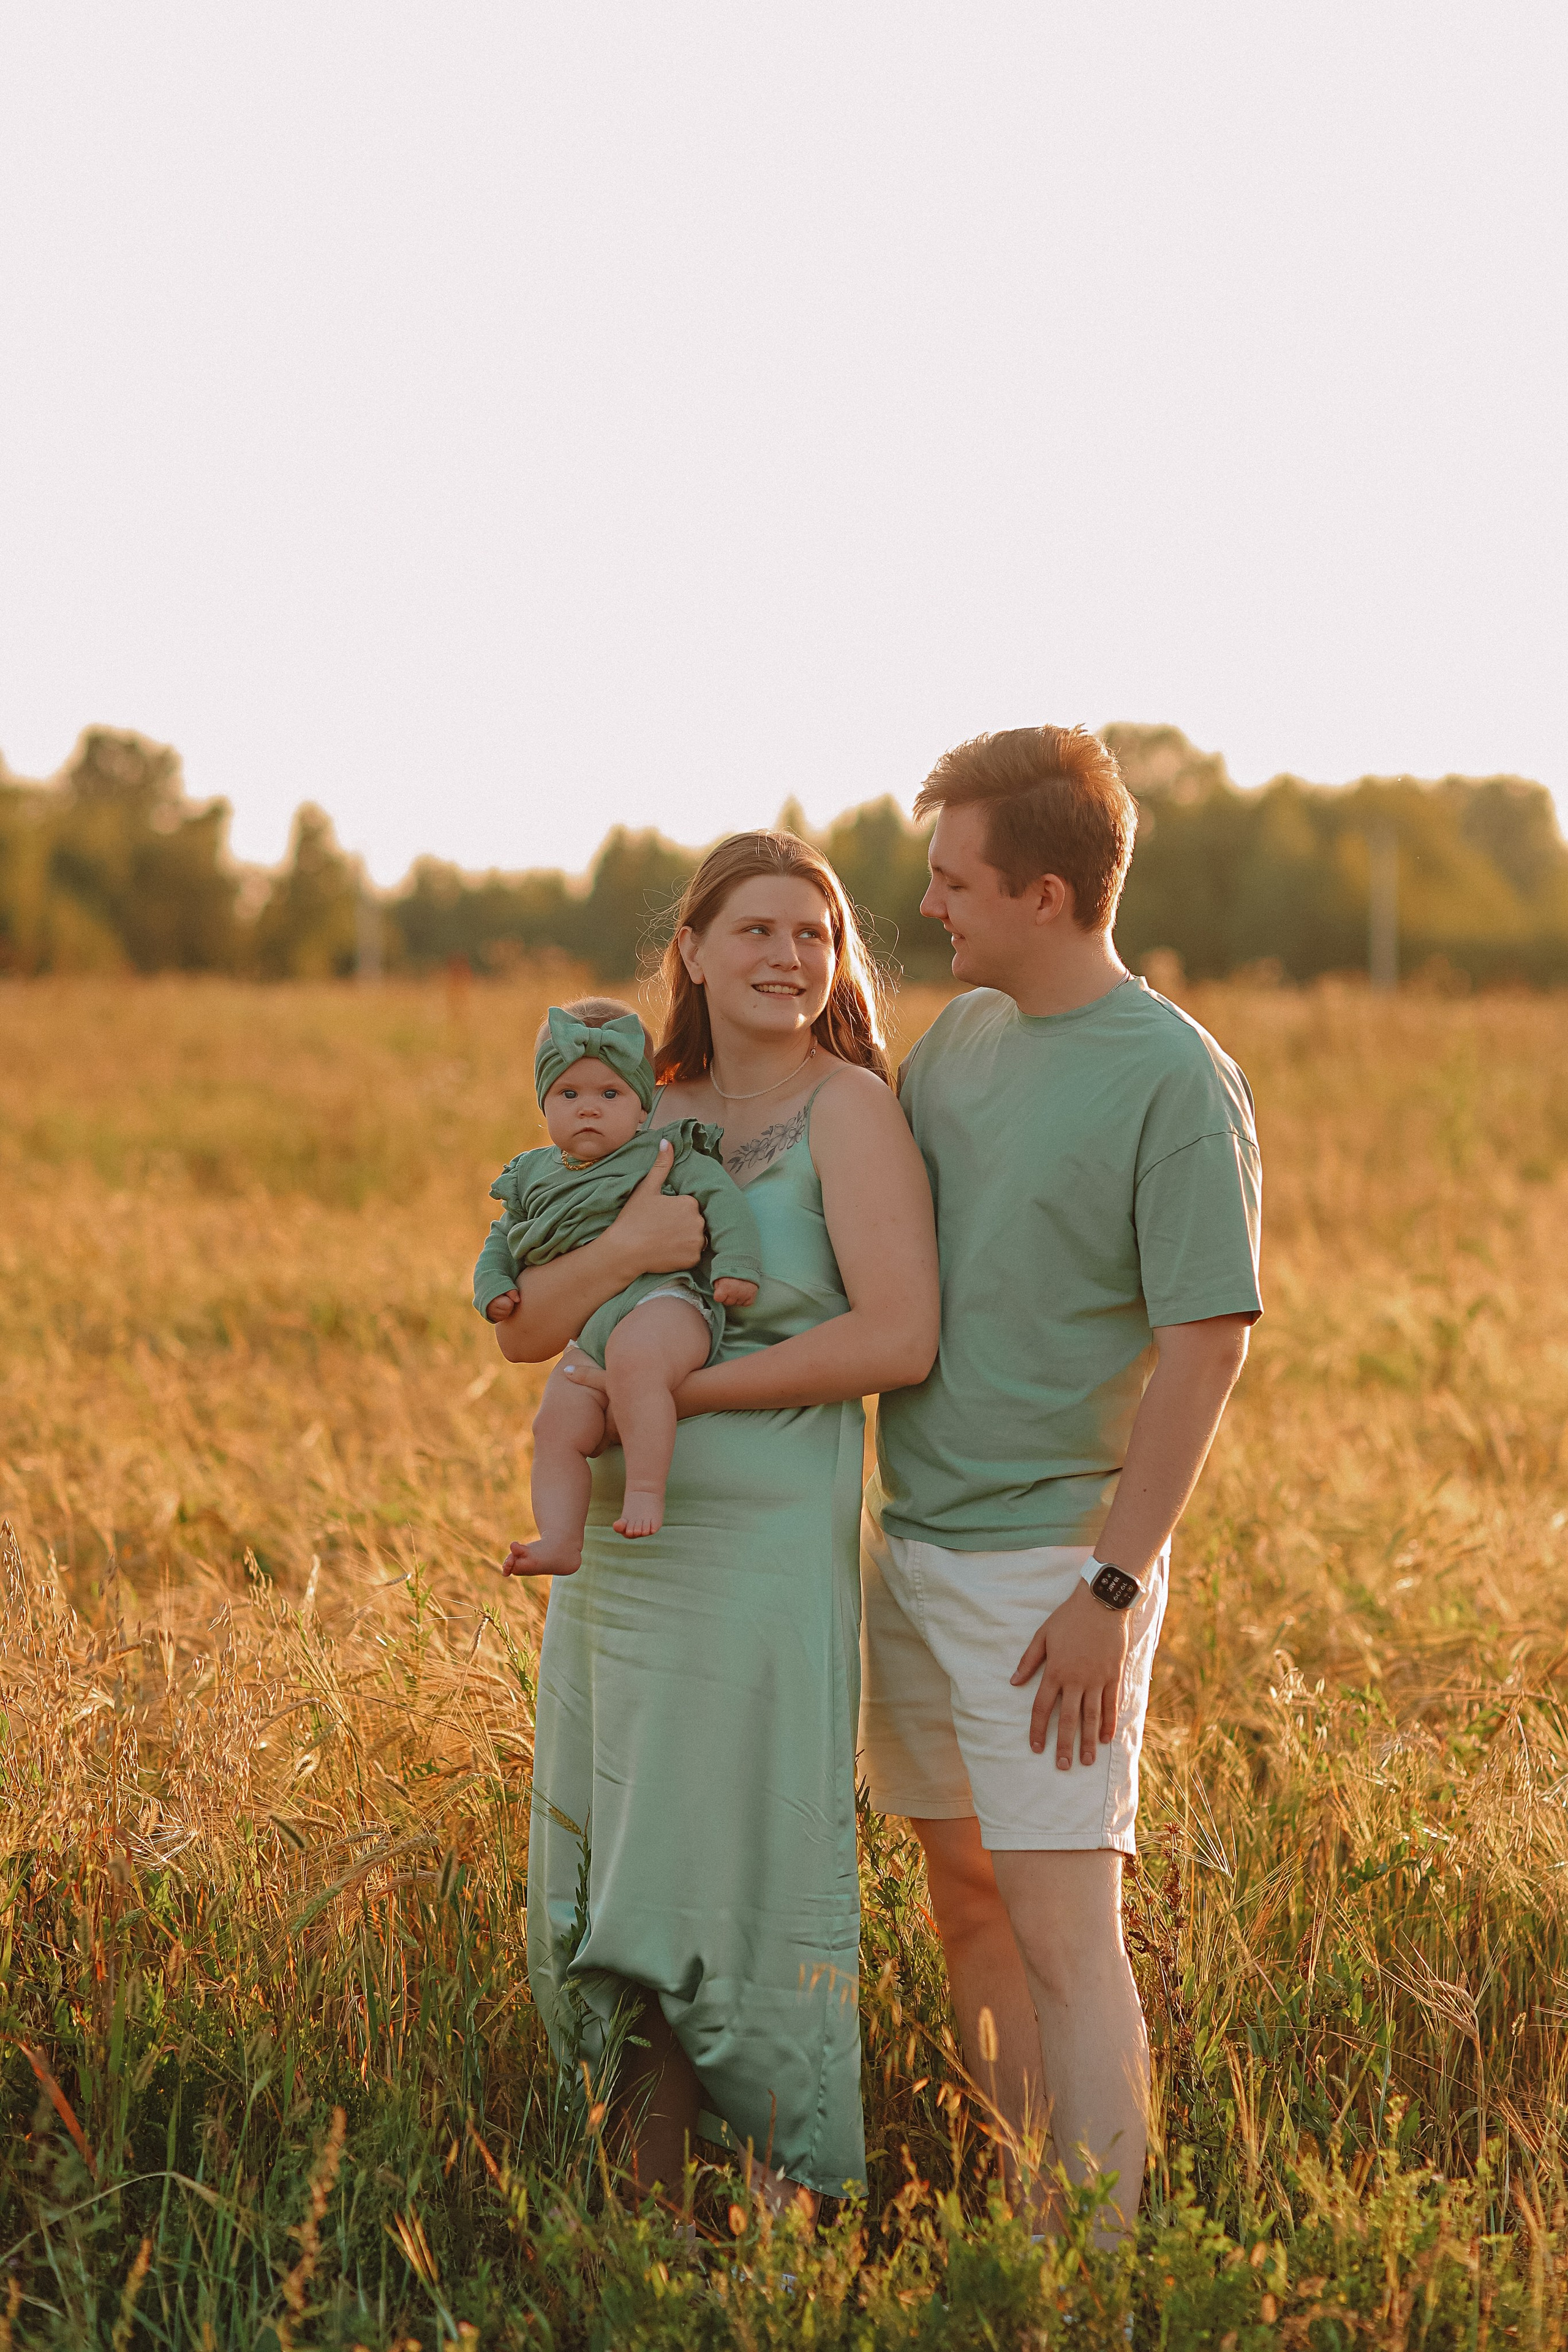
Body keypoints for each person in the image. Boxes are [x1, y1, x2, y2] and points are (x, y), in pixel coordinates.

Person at [492, 832, 939, 2213]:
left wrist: (688, 1390)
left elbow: (900, 1336)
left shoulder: (849, 1110)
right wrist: (626, 1255)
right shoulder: (634, 1108)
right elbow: (525, 1336)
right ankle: (646, 2222)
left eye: (813, 933)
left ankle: (781, 2213)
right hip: (631, 1564)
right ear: (689, 948)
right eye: (755, 929)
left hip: (762, 1550)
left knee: (735, 1864)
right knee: (629, 1870)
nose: (787, 956)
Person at [862, 725, 1262, 2237]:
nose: (930, 905)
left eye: (954, 878)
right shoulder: (956, 1042)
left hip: (1051, 1576)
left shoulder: (1173, 1077)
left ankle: (1084, 2279)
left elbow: (1203, 1346)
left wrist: (1112, 1584)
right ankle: (1017, 2227)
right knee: (962, 1903)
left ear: (1042, 891)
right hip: (910, 1545)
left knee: (1060, 1927)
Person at [473, 1000, 761, 1562]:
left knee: (636, 1359)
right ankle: (560, 1539)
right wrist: (493, 1288)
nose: (589, 1110)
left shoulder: (663, 1152)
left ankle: (646, 1491)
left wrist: (736, 1266)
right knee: (555, 1422)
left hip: (667, 1303)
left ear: (642, 1105)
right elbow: (499, 1240)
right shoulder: (530, 1174)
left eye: (610, 1095)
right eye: (569, 1095)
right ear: (543, 1102)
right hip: (591, 1331)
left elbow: (723, 1201)